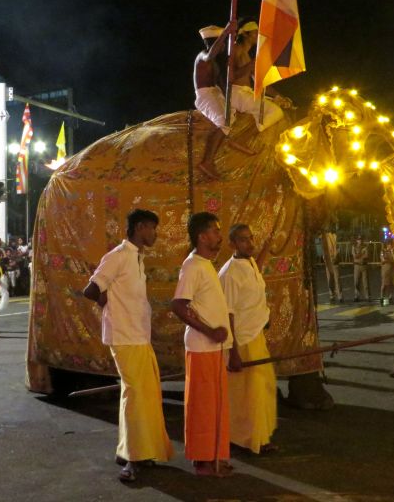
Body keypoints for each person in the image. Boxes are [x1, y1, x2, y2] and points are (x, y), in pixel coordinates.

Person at [82, 209, 173, 482]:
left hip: (138, 336)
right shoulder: (119, 256)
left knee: (138, 395)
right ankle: (133, 459)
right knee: (136, 397)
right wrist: (111, 307)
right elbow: (91, 289)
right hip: (124, 337)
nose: (155, 234)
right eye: (152, 228)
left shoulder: (136, 258)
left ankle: (129, 451)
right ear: (140, 227)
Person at [171, 212, 233, 477]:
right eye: (215, 231)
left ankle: (215, 455)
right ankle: (202, 460)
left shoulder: (205, 264)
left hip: (213, 348)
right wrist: (209, 331)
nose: (219, 236)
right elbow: (178, 305)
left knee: (215, 405)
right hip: (201, 347)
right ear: (202, 236)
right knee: (202, 407)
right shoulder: (192, 266)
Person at [219, 224, 277, 455]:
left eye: (251, 238)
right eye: (243, 240)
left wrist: (265, 250)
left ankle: (258, 436)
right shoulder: (230, 273)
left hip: (256, 336)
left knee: (262, 388)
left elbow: (255, 274)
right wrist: (233, 352)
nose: (250, 243)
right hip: (242, 341)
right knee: (249, 394)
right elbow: (228, 313)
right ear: (232, 244)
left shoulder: (249, 262)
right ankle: (248, 439)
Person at [193, 23, 255, 180]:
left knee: (232, 117)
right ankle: (207, 161)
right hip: (205, 95)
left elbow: (225, 82)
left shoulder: (217, 61)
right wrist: (226, 31)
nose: (225, 45)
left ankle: (236, 142)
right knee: (224, 121)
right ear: (215, 42)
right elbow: (210, 54)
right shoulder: (203, 56)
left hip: (216, 93)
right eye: (222, 42)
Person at [351, 235, 369, 302]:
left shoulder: (365, 247)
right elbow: (355, 256)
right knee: (356, 282)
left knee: (365, 282)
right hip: (357, 265)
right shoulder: (354, 247)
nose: (360, 241)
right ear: (356, 240)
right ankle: (356, 296)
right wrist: (361, 253)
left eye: (361, 239)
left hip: (363, 265)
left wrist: (360, 255)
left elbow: (366, 256)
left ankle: (367, 296)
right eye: (358, 239)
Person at [380, 240, 394, 305]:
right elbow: (383, 259)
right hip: (385, 269)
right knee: (384, 284)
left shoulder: (393, 251)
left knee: (391, 284)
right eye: (389, 245)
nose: (390, 246)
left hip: (392, 270)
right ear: (387, 245)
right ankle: (382, 298)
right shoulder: (383, 251)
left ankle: (390, 297)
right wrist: (389, 260)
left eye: (391, 245)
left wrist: (392, 253)